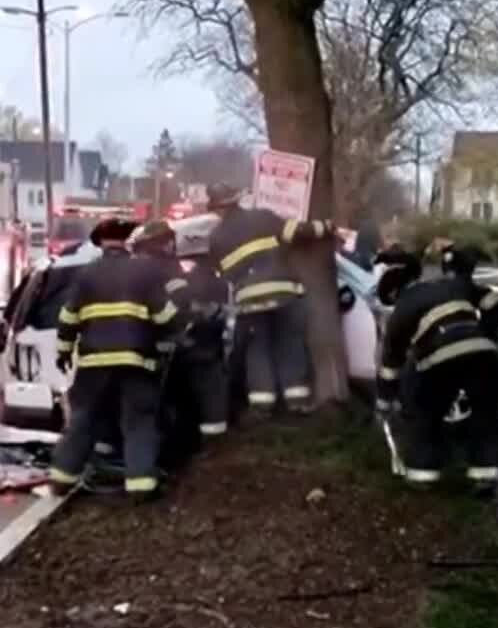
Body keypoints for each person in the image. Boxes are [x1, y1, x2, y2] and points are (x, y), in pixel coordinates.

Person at [47, 217, 182, 501]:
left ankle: (61, 479)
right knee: (138, 421)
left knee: (84, 420)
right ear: (129, 242)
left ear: (100, 244)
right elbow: (165, 316)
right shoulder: (145, 271)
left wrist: (63, 352)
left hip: (94, 364)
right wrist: (177, 333)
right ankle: (141, 487)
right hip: (137, 362)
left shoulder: (85, 274)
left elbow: (68, 319)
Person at [374, 248, 498, 496]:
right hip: (484, 354)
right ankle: (485, 476)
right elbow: (491, 299)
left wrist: (383, 401)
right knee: (484, 413)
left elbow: (390, 364)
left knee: (424, 411)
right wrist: (487, 333)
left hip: (441, 359)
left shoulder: (402, 309)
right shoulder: (447, 287)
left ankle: (422, 476)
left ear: (395, 293)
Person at [205, 182, 334, 416]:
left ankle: (262, 405)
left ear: (216, 209)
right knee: (290, 344)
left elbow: (221, 273)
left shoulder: (215, 238)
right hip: (284, 293)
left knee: (258, 349)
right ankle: (296, 400)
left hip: (249, 302)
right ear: (237, 200)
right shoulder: (262, 217)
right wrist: (325, 227)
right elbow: (297, 231)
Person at [128, 220, 231, 462]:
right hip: (179, 346)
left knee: (162, 403)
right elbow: (181, 302)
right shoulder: (168, 269)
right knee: (198, 394)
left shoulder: (135, 270)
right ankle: (204, 448)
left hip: (151, 349)